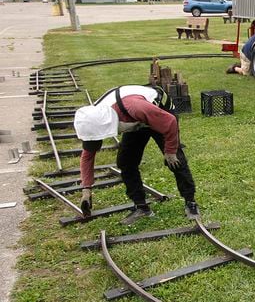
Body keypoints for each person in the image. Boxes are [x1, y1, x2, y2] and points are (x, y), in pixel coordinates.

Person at [73, 85, 199, 225]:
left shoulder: (134, 107)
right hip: (135, 120)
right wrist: (86, 189)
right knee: (126, 162)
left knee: (175, 160)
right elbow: (87, 156)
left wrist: (170, 151)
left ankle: (191, 203)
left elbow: (170, 122)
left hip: (160, 113)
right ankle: (141, 207)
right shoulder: (92, 119)